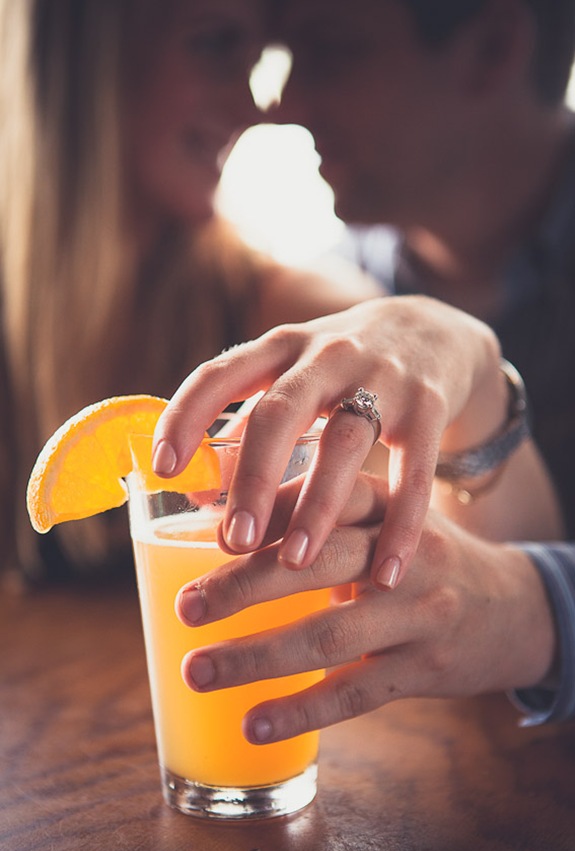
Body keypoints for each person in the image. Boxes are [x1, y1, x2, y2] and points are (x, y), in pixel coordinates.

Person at [151, 0, 575, 730]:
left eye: (332, 51)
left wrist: (539, 609)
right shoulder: (342, 303)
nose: (280, 103)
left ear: (490, 49)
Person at [0, 0, 378, 588]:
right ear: (83, 58)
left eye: (253, 62)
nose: (252, 108)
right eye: (213, 43)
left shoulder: (302, 315)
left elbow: (477, 553)